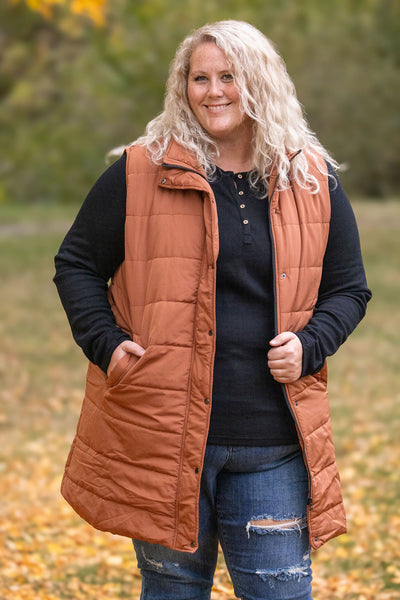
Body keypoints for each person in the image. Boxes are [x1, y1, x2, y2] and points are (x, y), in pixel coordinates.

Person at [54, 20, 371, 600]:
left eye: (229, 76)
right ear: (183, 87)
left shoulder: (311, 177)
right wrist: (108, 345)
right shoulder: (140, 170)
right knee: (171, 590)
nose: (213, 91)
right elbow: (76, 263)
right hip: (164, 440)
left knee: (280, 592)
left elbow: (349, 289)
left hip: (271, 442)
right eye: (199, 78)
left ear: (260, 82)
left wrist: (310, 345)